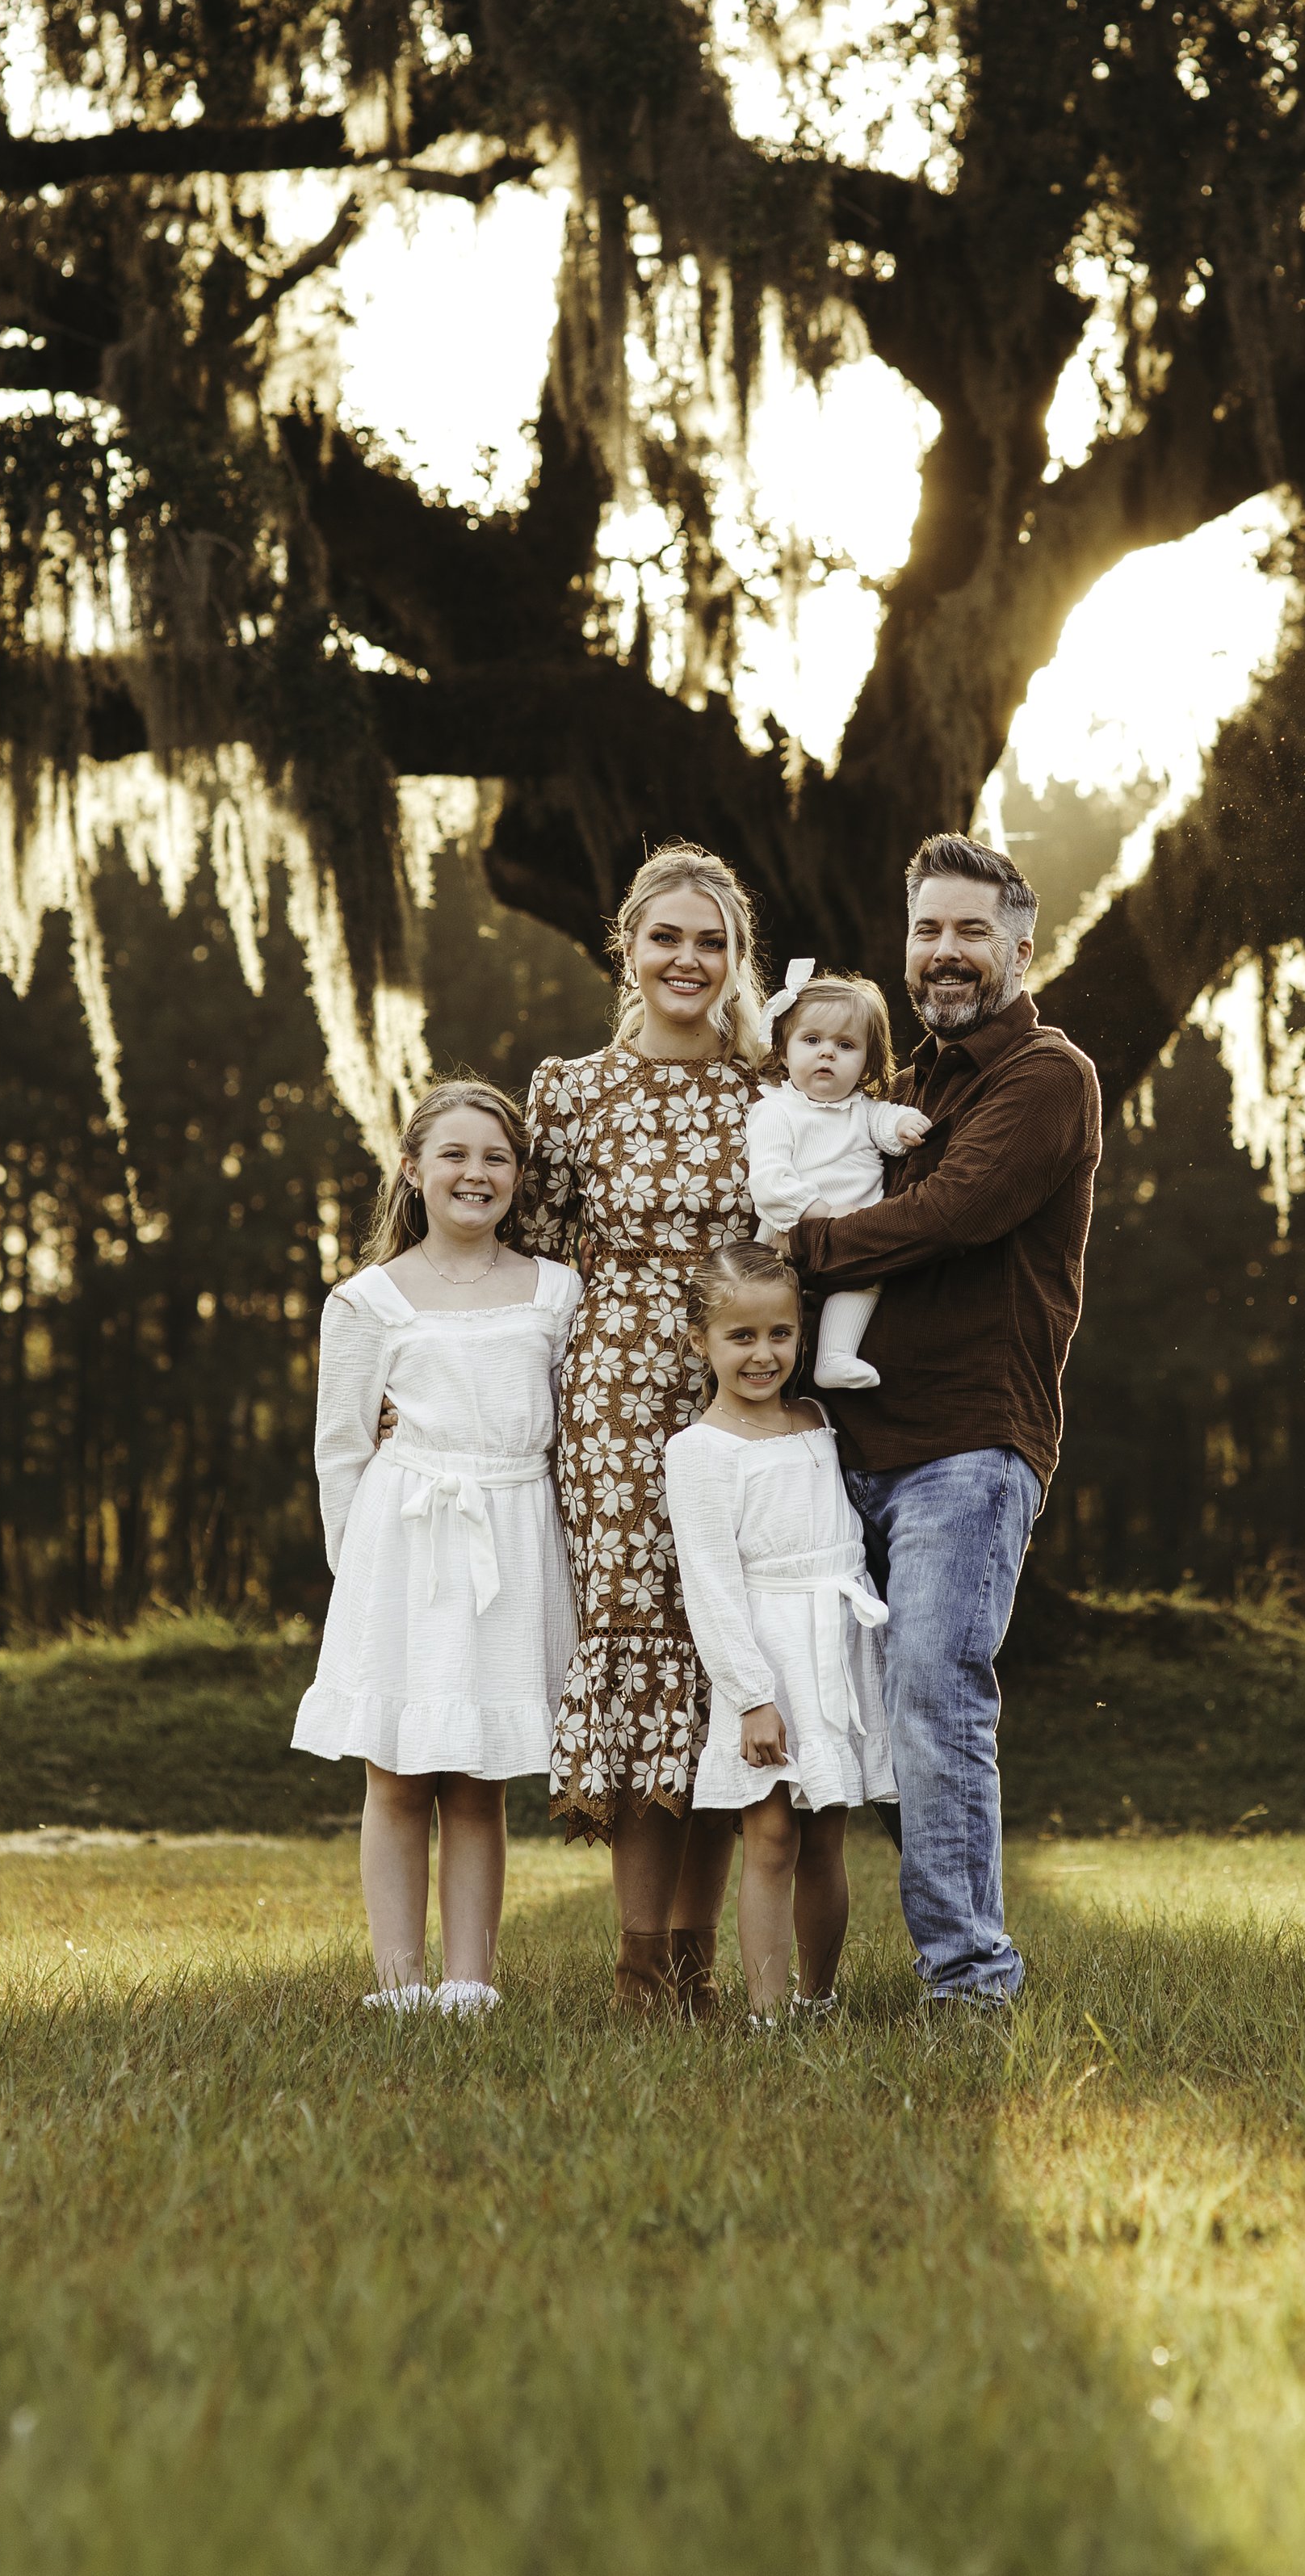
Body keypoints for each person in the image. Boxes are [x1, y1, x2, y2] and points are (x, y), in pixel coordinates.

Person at [780, 837, 1101, 2010]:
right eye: (927, 930)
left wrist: (800, 1242)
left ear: (1022, 949)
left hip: (968, 1445)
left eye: (971, 932)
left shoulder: (1048, 1076)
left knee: (932, 1688)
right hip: (846, 1447)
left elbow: (953, 1214)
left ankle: (972, 1982)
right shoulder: (899, 1093)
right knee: (846, 1709)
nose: (946, 953)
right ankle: (793, 1982)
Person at [525, 843, 766, 2014]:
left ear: (736, 960)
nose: (688, 958)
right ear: (628, 946)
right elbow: (522, 1255)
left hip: (742, 1397)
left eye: (710, 940)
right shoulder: (567, 1091)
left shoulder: (772, 1095)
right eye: (666, 936)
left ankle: (697, 1961)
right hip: (614, 1399)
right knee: (639, 1652)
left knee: (730, 1656)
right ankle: (635, 1968)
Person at [292, 1080, 581, 2016]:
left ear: (519, 1177)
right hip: (404, 1545)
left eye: (496, 1157)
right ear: (412, 1170)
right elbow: (341, 1447)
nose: (475, 1174)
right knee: (400, 1770)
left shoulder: (552, 1290)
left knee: (479, 1776)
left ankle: (469, 1981)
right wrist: (357, 1571)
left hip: (511, 1534)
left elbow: (570, 1431)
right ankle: (399, 1982)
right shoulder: (369, 1299)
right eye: (453, 1155)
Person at [665, 1240, 896, 2024]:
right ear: (701, 1342)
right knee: (770, 1837)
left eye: (780, 1335)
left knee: (827, 1832)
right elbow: (712, 1586)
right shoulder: (698, 1452)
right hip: (764, 1652)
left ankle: (817, 1998)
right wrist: (752, 1697)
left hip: (832, 1638)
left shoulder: (821, 1419)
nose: (764, 1355)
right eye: (741, 1337)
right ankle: (764, 2014)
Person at [745, 965, 930, 1391]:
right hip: (787, 1239)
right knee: (771, 1309)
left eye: (846, 1045)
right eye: (812, 1040)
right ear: (785, 1051)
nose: (827, 1053)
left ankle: (835, 1356)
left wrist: (904, 1125)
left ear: (868, 1060)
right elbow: (771, 1184)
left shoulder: (864, 1110)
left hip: (854, 1242)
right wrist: (825, 1214)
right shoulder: (776, 1111)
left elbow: (889, 1124)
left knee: (866, 1281)